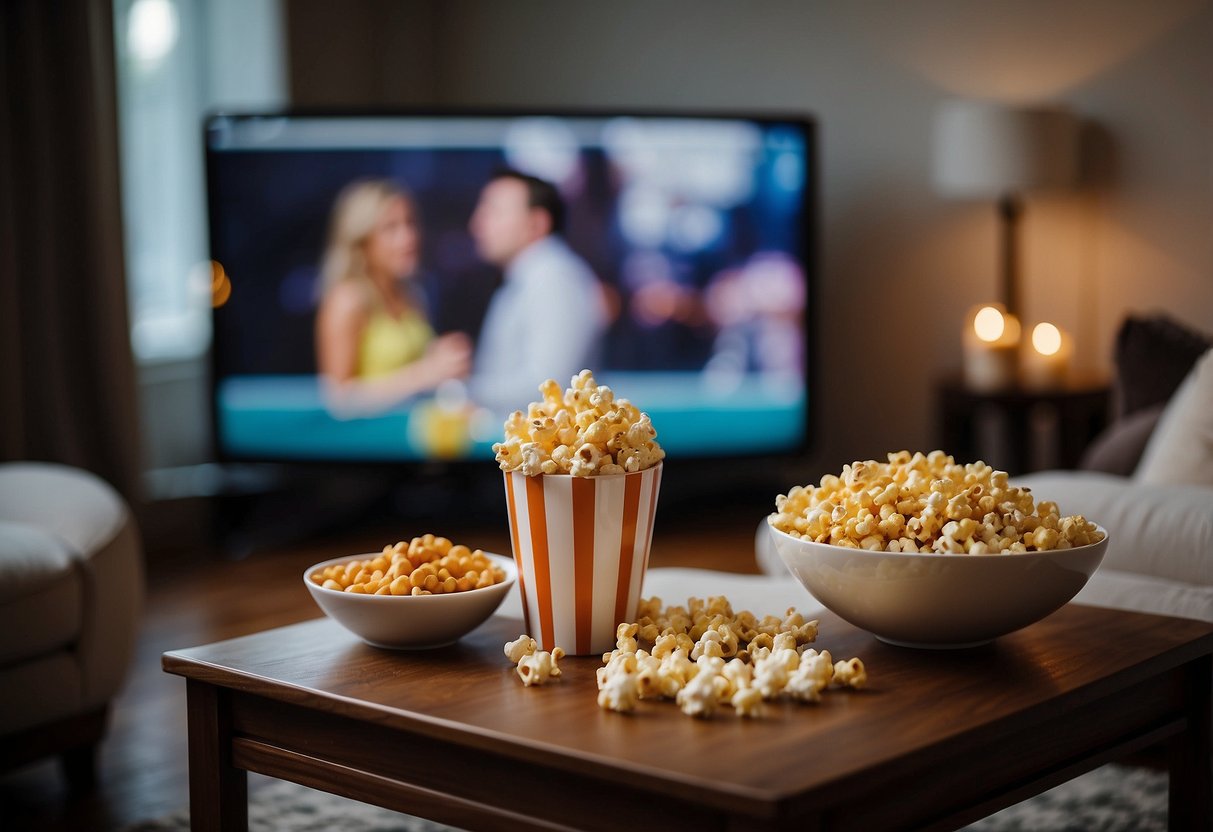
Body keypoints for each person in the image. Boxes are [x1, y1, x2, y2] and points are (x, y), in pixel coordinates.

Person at [315, 180, 470, 416]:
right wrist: (425, 373)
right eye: (391, 228)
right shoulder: (347, 300)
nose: (408, 237)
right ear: (362, 241)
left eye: (410, 223)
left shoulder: (413, 293)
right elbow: (339, 400)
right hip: (367, 445)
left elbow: (408, 368)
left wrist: (440, 357)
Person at [468, 169, 607, 411]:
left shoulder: (554, 276)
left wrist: (458, 391)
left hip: (544, 446)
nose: (477, 223)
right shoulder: (530, 275)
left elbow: (549, 386)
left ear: (537, 223)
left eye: (494, 211)